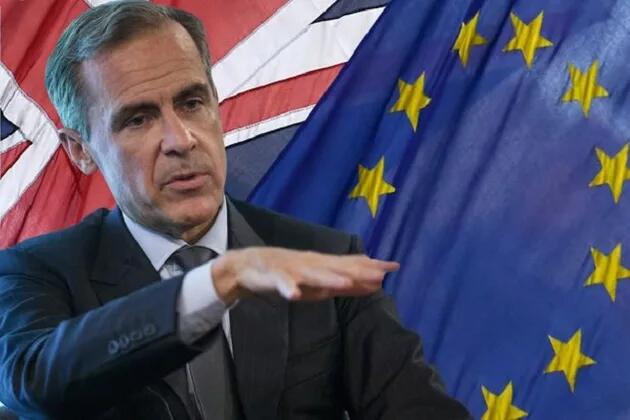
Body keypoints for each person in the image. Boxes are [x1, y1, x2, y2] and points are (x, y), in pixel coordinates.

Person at [0, 1, 470, 419]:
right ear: (80, 150)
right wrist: (214, 284)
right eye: (138, 119)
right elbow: (34, 382)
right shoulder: (38, 272)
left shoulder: (323, 257)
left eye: (192, 102)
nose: (181, 139)